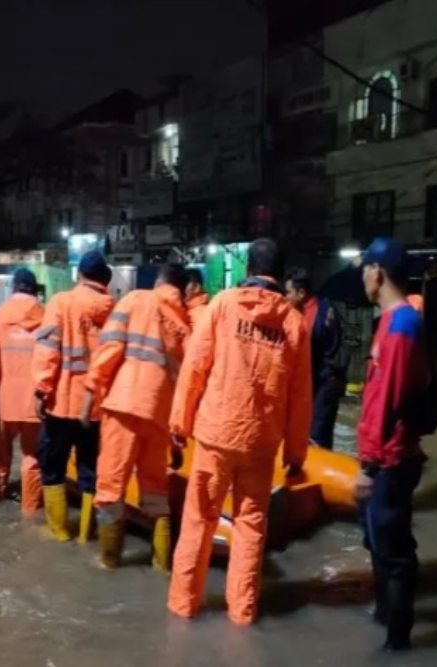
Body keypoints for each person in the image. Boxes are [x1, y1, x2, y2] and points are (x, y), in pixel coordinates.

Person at [167, 238, 312, 626]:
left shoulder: (223, 306)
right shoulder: (294, 323)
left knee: (198, 521)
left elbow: (195, 367)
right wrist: (296, 454)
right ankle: (242, 615)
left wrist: (179, 424)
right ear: (280, 273)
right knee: (250, 529)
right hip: (261, 443)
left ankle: (184, 608)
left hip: (215, 434)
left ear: (248, 266)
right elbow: (300, 398)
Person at [81, 263, 191, 572]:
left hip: (125, 404)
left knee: (111, 486)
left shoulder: (135, 300)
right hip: (159, 414)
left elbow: (110, 347)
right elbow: (186, 382)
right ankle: (161, 564)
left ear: (159, 280)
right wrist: (178, 434)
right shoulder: (184, 324)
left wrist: (91, 390)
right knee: (156, 490)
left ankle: (109, 559)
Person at [354, 237, 431, 651]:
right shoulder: (390, 321)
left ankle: (397, 643)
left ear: (377, 272)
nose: (362, 277)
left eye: (364, 269)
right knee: (377, 539)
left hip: (391, 458)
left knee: (394, 547)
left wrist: (368, 467)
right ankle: (385, 615)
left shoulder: (401, 326)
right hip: (383, 455)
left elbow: (389, 400)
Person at [32, 250, 115, 543]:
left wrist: (41, 390)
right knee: (90, 470)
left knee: (52, 467)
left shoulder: (62, 303)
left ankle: (59, 533)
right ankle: (85, 536)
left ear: (79, 274)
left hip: (62, 403)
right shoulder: (113, 310)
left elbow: (47, 350)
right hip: (96, 407)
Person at [0, 268, 46, 515]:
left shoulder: (0, 316)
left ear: (14, 288)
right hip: (36, 401)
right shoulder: (47, 316)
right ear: (34, 289)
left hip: (5, 399)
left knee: (0, 449)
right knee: (32, 455)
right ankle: (30, 510)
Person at [284, 267, 346, 449]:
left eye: (288, 292)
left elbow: (305, 356)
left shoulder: (313, 315)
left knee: (317, 438)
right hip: (322, 382)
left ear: (301, 293)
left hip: (324, 383)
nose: (285, 297)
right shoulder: (317, 307)